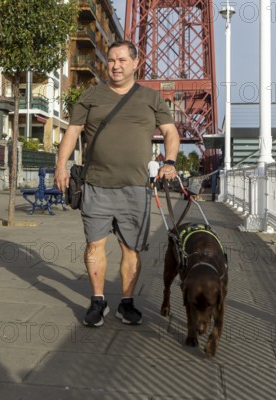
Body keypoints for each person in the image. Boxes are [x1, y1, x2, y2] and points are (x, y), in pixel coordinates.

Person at [55, 40, 179, 327]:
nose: (116, 65)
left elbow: (170, 132)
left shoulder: (152, 98)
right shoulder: (91, 96)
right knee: (94, 245)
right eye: (111, 60)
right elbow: (72, 133)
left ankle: (126, 302)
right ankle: (98, 300)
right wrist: (60, 165)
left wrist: (170, 161)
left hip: (136, 187)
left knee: (130, 249)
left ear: (136, 63)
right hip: (96, 184)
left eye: (123, 60)